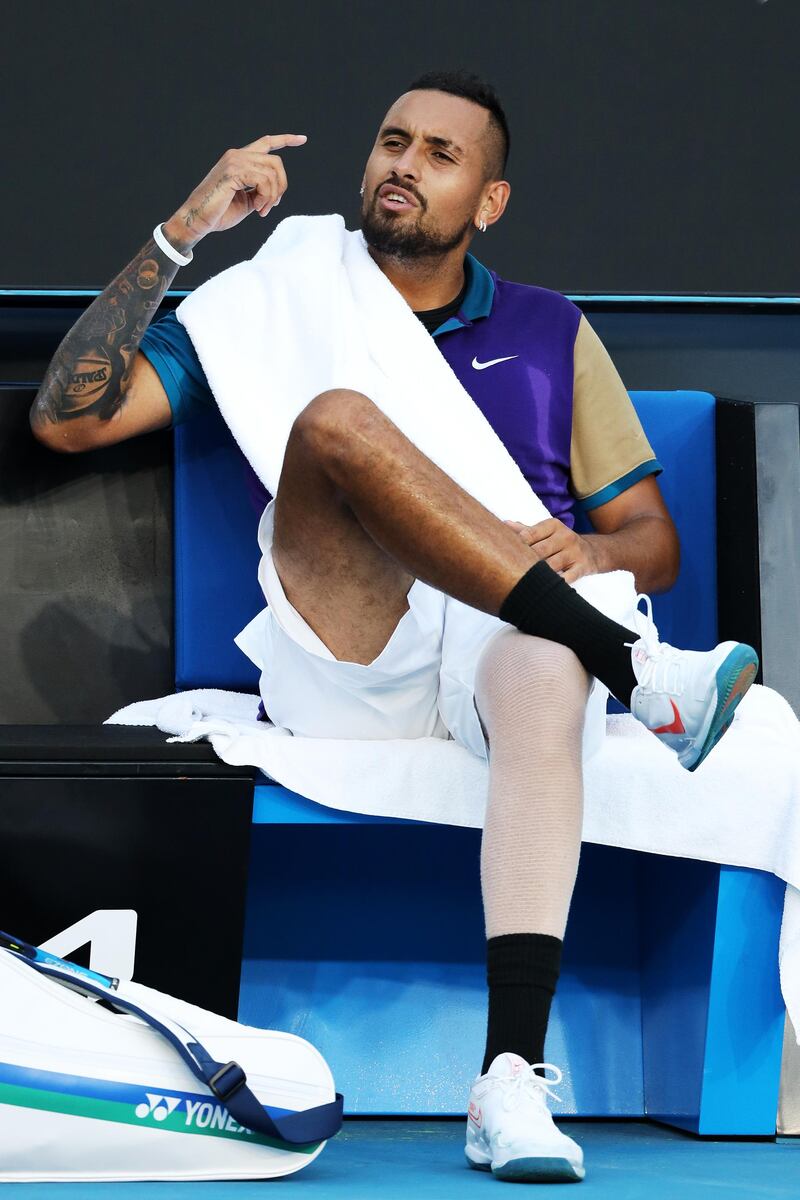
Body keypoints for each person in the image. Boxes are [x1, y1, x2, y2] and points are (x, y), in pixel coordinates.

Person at [30, 70, 757, 1186]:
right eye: (391, 142)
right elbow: (68, 421)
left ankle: (507, 1079)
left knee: (541, 668)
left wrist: (588, 553)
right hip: (353, 644)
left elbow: (649, 543)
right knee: (334, 421)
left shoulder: (550, 331)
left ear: (490, 198)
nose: (403, 166)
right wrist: (183, 234)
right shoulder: (278, 294)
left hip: (507, 640)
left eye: (439, 154)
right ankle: (639, 671)